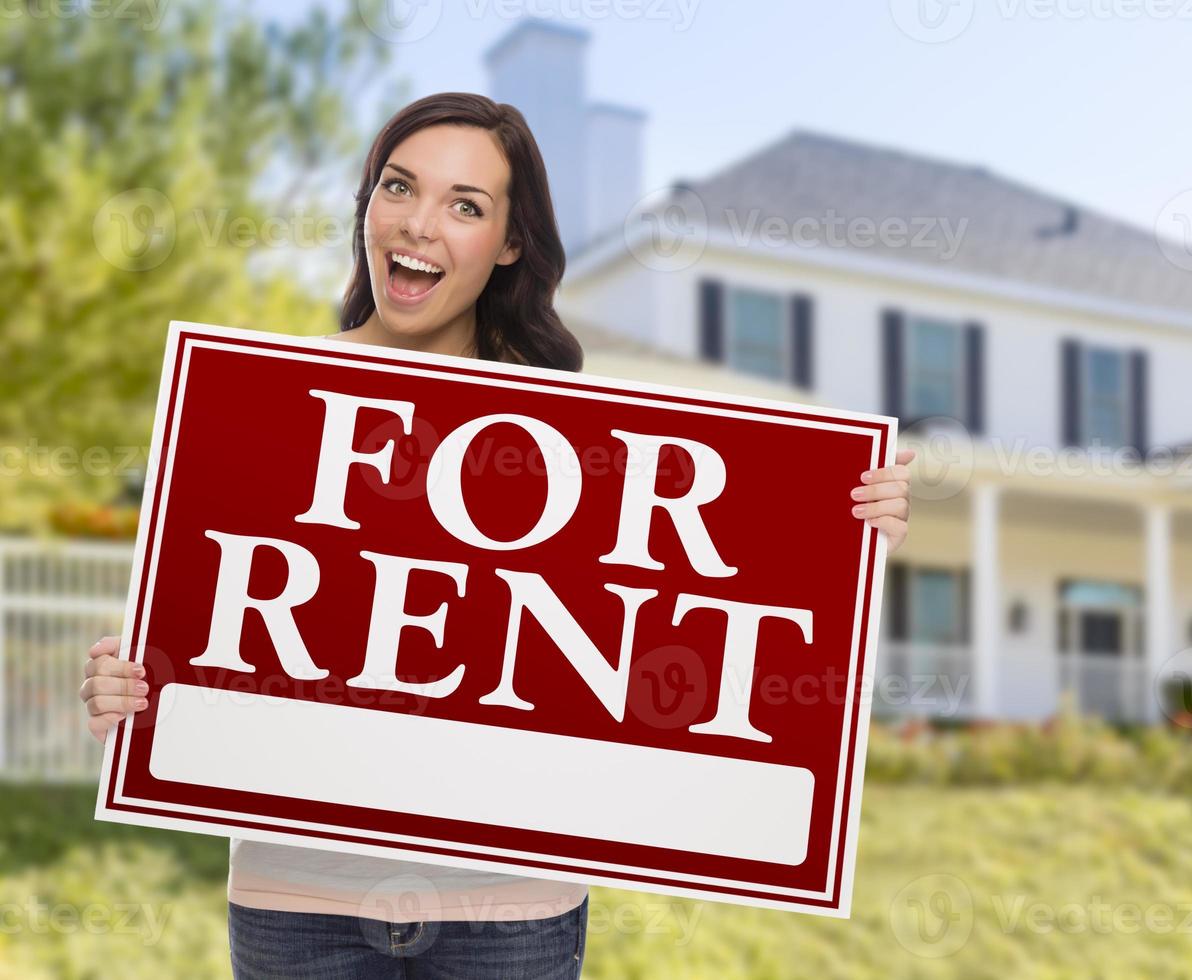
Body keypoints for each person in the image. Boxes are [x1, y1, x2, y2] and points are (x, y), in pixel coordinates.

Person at [78, 91, 914, 978]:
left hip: (509, 916)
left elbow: (696, 616)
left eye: (465, 205)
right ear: (368, 203)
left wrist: (838, 535)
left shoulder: (579, 432)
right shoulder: (254, 405)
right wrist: (129, 689)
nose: (421, 224)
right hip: (299, 906)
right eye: (399, 187)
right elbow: (194, 649)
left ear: (510, 242)